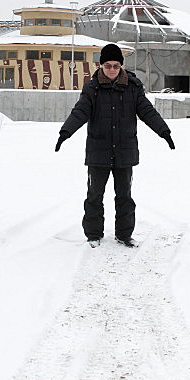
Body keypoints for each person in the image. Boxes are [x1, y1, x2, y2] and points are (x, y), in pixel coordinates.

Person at [55, 43, 174, 247]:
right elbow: (80, 111)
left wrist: (164, 131)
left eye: (116, 66)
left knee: (124, 196)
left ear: (121, 66)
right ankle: (93, 234)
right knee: (94, 196)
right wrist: (65, 132)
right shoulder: (92, 88)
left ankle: (124, 234)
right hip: (98, 151)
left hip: (124, 151)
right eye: (108, 65)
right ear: (101, 66)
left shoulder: (133, 87)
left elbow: (147, 112)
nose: (111, 70)